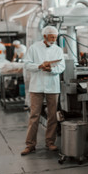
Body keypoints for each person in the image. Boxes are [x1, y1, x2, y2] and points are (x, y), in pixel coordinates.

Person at [21, 26, 65, 155]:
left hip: (52, 86)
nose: (54, 40)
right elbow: (27, 64)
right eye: (52, 37)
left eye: (55, 37)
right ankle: (30, 145)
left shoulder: (58, 50)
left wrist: (51, 69)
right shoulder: (34, 48)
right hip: (37, 86)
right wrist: (39, 66)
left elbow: (61, 66)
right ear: (45, 36)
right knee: (34, 115)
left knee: (52, 115)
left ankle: (50, 142)